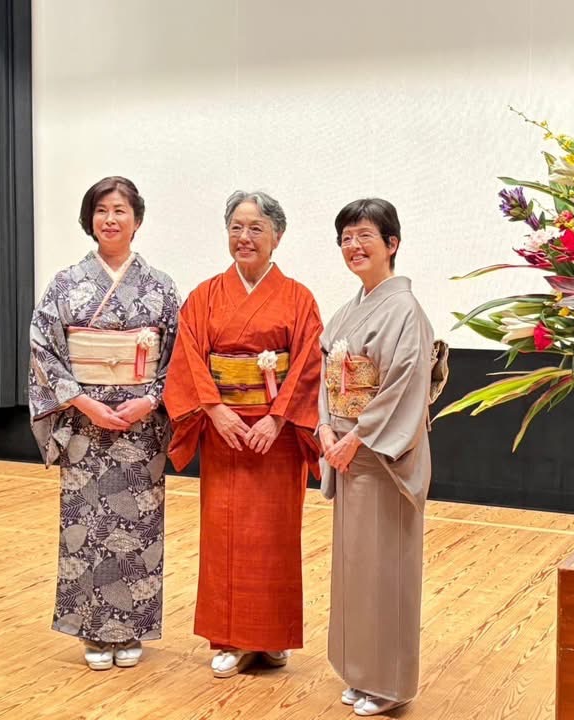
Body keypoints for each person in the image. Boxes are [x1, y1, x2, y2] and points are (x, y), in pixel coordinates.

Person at [163, 190, 323, 678]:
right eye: (236, 226)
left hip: (275, 437)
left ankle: (273, 638)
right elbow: (189, 355)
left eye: (256, 228)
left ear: (278, 235)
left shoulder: (298, 298)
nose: (244, 237)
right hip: (225, 433)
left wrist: (277, 418)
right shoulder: (205, 296)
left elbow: (310, 362)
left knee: (275, 534)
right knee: (225, 533)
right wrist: (214, 409)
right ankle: (229, 638)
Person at [29, 176, 180, 671]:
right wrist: (84, 403)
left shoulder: (159, 286)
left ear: (137, 219)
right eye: (101, 210)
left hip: (140, 427)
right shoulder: (65, 284)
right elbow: (43, 350)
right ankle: (92, 632)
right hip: (85, 427)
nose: (110, 219)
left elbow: (178, 357)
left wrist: (152, 399)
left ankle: (131, 628)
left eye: (120, 210)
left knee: (137, 526)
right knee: (87, 525)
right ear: (89, 218)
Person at [318, 198, 447, 716]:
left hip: (381, 459)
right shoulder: (347, 310)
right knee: (355, 569)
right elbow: (326, 378)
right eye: (346, 237)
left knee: (385, 570)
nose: (354, 246)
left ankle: (390, 684)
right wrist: (326, 427)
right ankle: (359, 671)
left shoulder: (406, 312)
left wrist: (356, 437)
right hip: (348, 455)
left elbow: (404, 385)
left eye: (364, 236)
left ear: (392, 244)